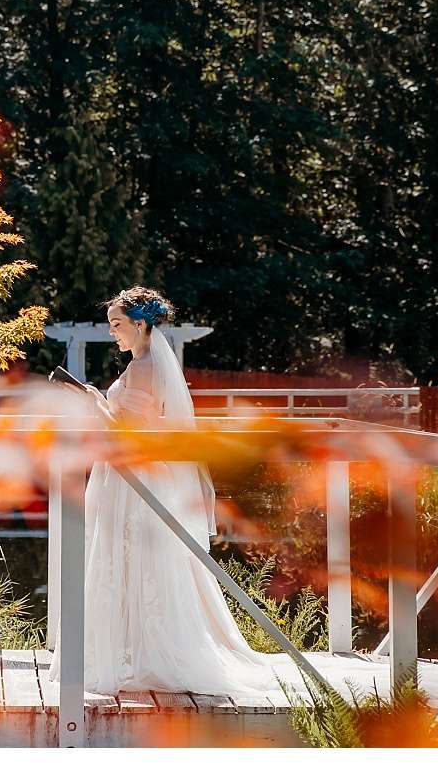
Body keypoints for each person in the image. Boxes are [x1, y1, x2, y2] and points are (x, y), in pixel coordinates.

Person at [49, 286, 309, 699]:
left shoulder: (142, 367)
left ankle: (136, 655)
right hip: (142, 474)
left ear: (139, 325)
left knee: (128, 556)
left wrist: (93, 403)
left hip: (132, 477)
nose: (113, 333)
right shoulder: (147, 363)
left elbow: (127, 431)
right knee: (143, 560)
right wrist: (101, 401)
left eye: (117, 325)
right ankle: (139, 649)